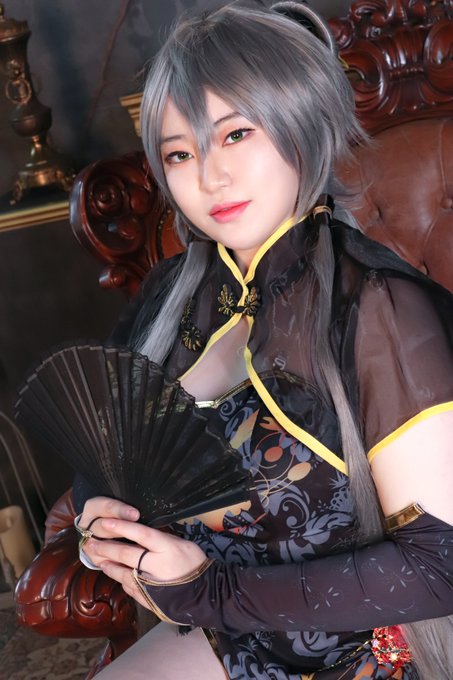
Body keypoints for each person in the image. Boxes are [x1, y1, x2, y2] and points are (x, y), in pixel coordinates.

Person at [73, 3, 453, 678]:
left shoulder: (378, 309)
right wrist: (96, 524)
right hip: (227, 633)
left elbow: (438, 567)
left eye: (236, 134)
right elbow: (98, 455)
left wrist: (206, 589)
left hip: (366, 650)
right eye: (180, 153)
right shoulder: (168, 298)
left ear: (301, 124)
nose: (209, 176)